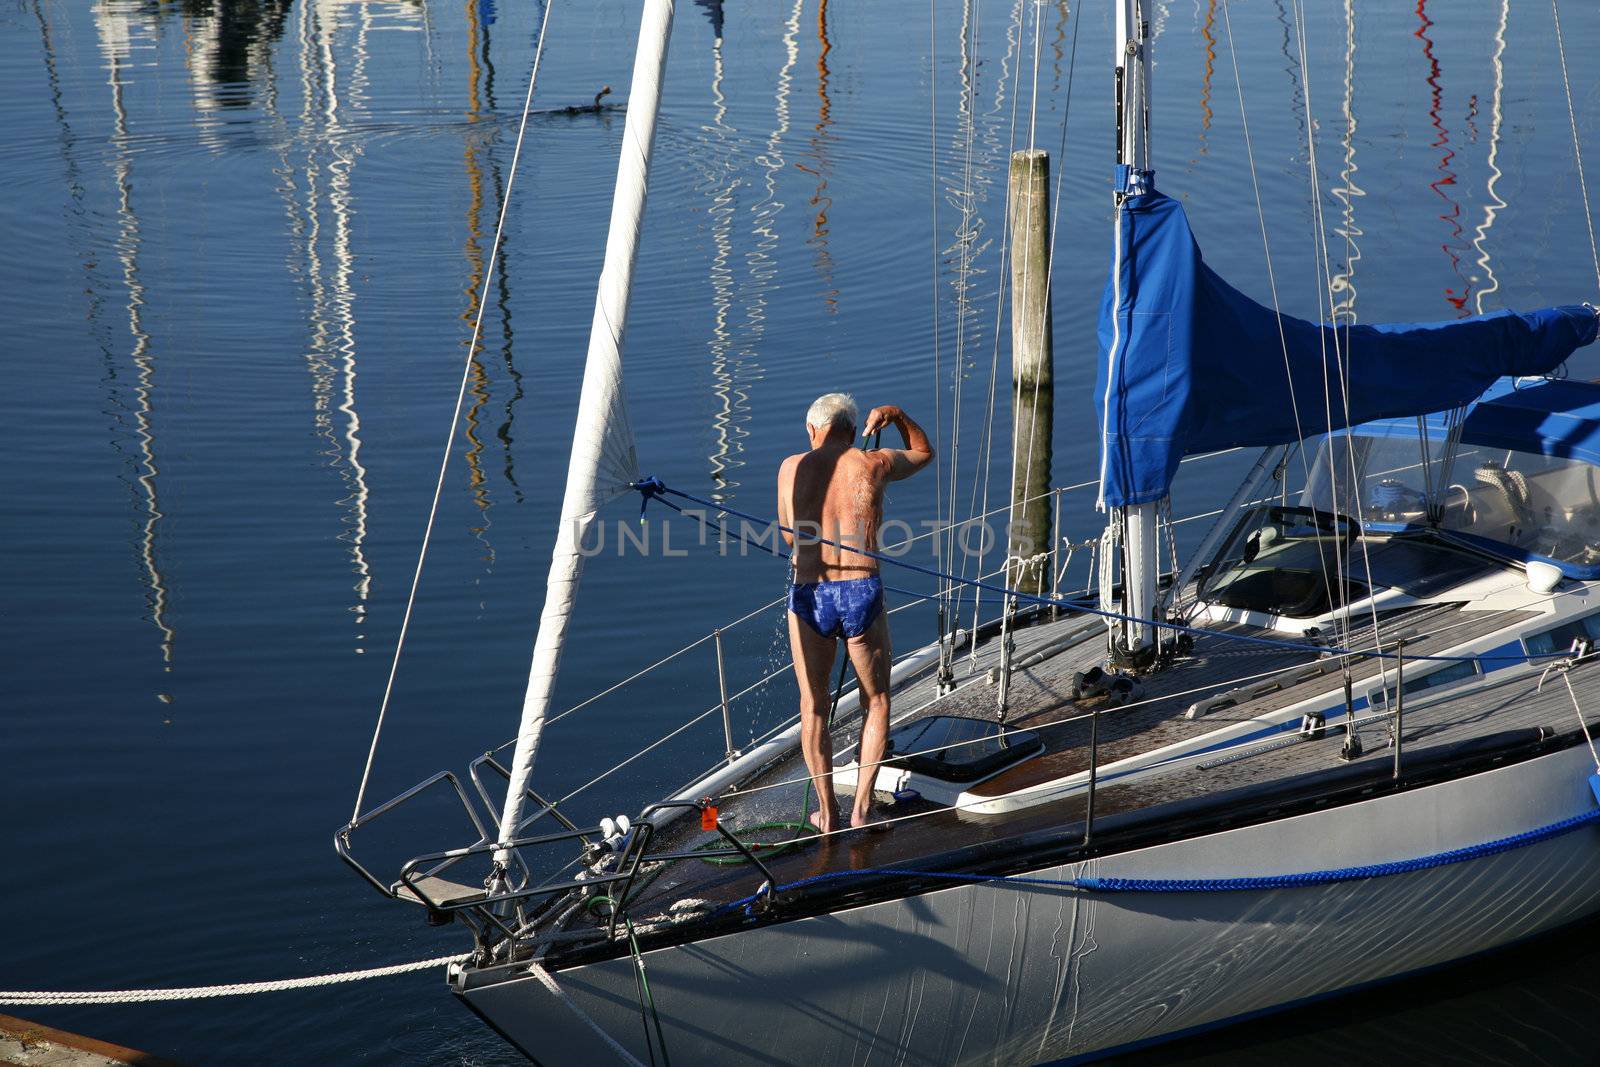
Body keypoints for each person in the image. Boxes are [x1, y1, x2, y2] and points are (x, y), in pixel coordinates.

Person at [777, 393, 934, 834]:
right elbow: (923, 452)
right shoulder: (873, 463)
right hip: (861, 590)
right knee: (877, 701)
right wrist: (899, 416)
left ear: (813, 431)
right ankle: (862, 812)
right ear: (853, 429)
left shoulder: (790, 468)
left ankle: (827, 815)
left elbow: (790, 539)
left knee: (814, 706)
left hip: (812, 593)